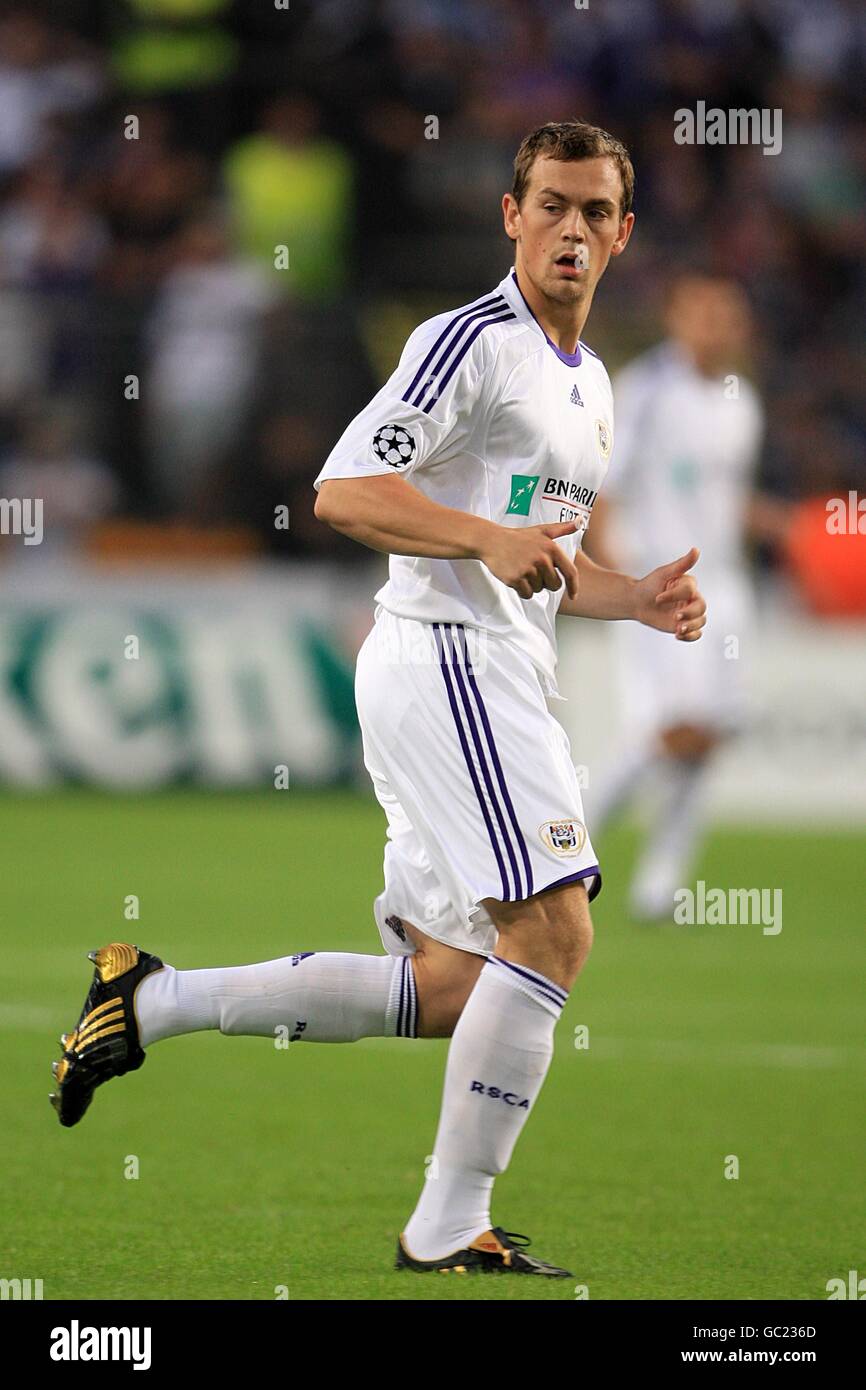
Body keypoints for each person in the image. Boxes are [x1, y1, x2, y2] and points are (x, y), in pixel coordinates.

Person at [50, 120, 706, 1278]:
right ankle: (446, 1225)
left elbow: (539, 559)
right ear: (510, 216)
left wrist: (634, 596)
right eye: (549, 205)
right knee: (553, 930)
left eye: (593, 211)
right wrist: (477, 538)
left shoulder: (588, 381)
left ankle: (146, 1002)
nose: (570, 229)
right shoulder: (467, 343)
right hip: (444, 660)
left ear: (623, 231)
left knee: (458, 986)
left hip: (493, 666)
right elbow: (346, 489)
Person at [583, 273, 767, 920]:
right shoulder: (645, 391)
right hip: (658, 584)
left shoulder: (742, 400)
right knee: (671, 732)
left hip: (727, 586)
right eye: (704, 312)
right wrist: (617, 582)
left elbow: (728, 500)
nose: (717, 325)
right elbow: (607, 489)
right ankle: (565, 848)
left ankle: (660, 886)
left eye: (728, 313)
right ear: (676, 318)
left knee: (706, 738)